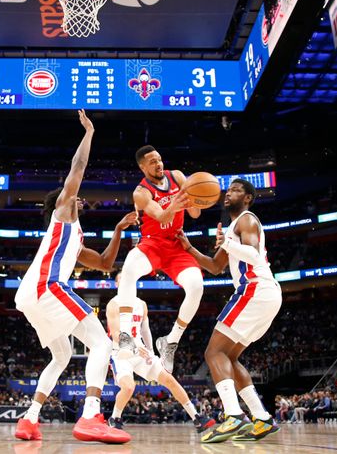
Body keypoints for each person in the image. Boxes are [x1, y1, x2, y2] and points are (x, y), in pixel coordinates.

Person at [13, 110, 137, 444]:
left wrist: (117, 231)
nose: (79, 197)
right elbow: (78, 169)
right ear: (63, 202)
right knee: (101, 342)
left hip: (31, 295)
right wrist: (90, 132)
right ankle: (91, 415)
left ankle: (29, 419)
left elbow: (105, 263)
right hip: (47, 286)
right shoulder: (63, 213)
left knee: (62, 356)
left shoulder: (74, 237)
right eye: (73, 195)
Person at [177, 179, 282, 442]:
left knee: (213, 352)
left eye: (236, 190)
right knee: (229, 358)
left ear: (247, 198)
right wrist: (189, 248)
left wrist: (228, 243)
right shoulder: (232, 228)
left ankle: (233, 416)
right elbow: (214, 266)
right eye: (229, 189)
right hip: (265, 295)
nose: (228, 193)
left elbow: (255, 255)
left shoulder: (247, 220)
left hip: (254, 289)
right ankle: (262, 418)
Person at [114, 145, 204, 373]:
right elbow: (161, 215)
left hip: (176, 243)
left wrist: (196, 198)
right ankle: (126, 334)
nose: (159, 164)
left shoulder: (178, 177)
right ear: (142, 167)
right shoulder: (141, 192)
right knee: (130, 268)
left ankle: (170, 341)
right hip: (152, 243)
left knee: (196, 286)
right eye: (153, 161)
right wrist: (176, 203)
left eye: (160, 159)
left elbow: (195, 214)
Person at [105, 277, 215, 435]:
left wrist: (150, 352)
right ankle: (115, 418)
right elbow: (115, 334)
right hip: (121, 353)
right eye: (122, 280)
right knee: (129, 387)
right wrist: (135, 348)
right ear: (117, 284)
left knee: (169, 379)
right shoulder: (114, 304)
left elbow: (145, 330)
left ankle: (197, 418)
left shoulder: (141, 304)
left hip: (141, 352)